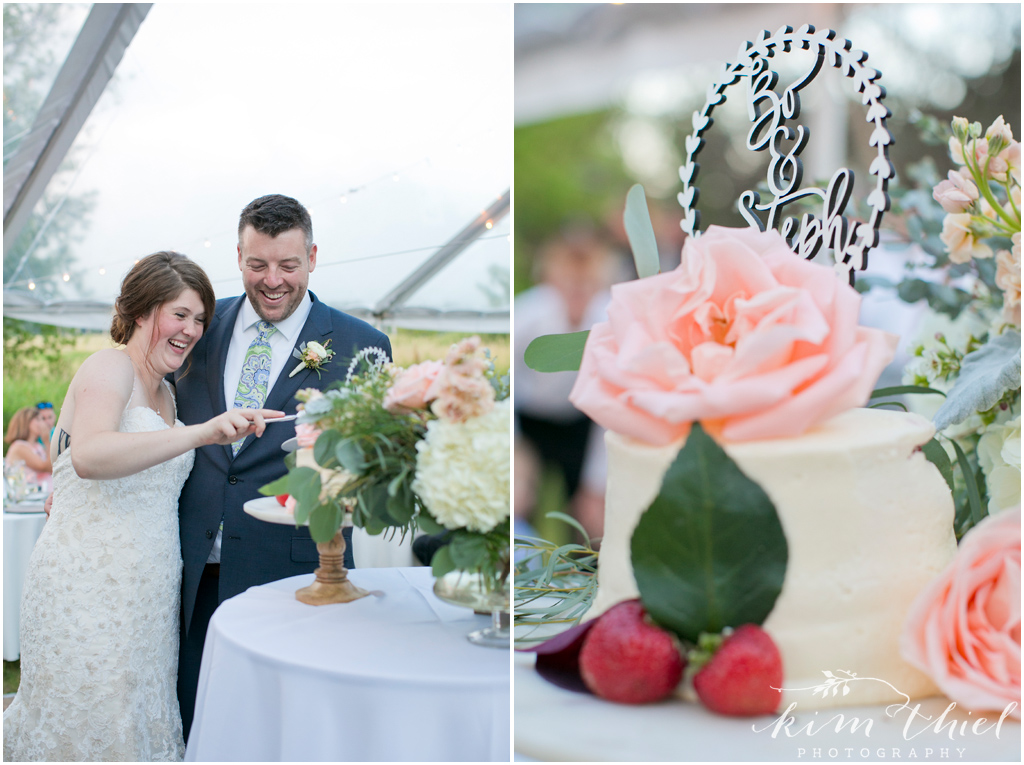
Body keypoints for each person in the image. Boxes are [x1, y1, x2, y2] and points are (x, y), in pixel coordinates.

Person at [3, 252, 280, 762]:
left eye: (199, 319)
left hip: (150, 595)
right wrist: (203, 433)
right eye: (179, 314)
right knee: (88, 717)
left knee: (138, 719)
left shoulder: (170, 395)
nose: (192, 330)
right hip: (87, 586)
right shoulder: (111, 367)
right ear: (140, 311)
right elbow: (87, 455)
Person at [173, 193, 392, 742]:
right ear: (239, 257)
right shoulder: (194, 325)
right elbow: (132, 390)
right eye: (257, 264)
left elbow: (380, 461)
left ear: (312, 258)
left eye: (288, 265)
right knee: (192, 715)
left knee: (283, 729)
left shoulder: (363, 346)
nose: (272, 280)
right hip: (188, 565)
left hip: (295, 567)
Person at [4, 406, 53, 494]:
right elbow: (47, 467)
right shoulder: (19, 446)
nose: (43, 423)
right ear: (26, 422)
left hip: (43, 494)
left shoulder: (38, 446)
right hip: (30, 498)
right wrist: (47, 441)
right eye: (38, 419)